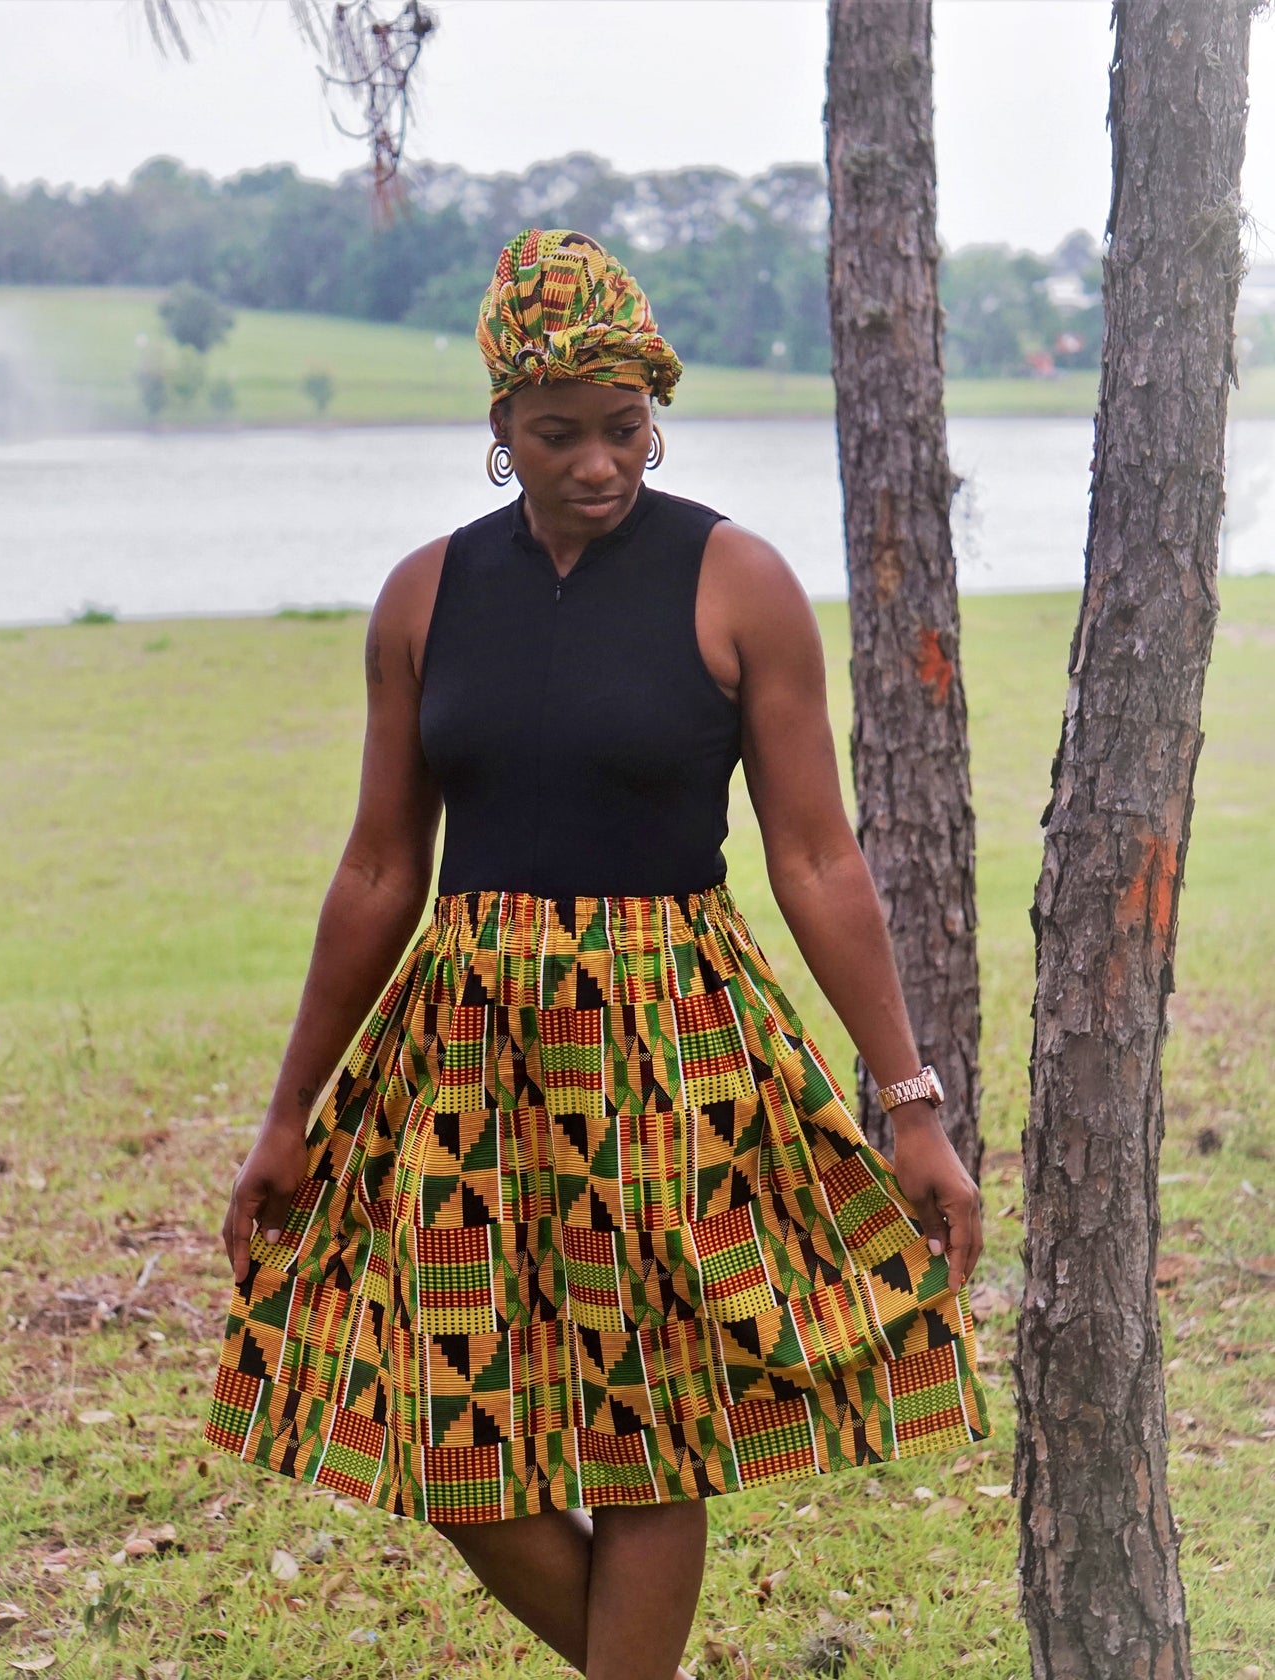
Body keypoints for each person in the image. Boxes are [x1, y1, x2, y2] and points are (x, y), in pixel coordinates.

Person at [205, 228, 988, 1680]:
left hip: (668, 1050)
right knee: (437, 1428)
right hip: (465, 1054)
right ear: (498, 424)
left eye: (622, 429)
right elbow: (382, 866)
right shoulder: (424, 597)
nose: (595, 465)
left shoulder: (733, 580)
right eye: (555, 433)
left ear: (653, 411)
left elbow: (815, 859)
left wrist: (909, 1103)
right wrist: (287, 1109)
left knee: (643, 1436)